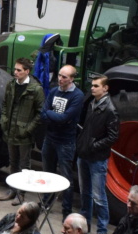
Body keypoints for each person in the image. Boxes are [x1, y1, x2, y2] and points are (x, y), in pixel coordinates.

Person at [76, 76, 119, 234]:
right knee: (85, 193)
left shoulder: (110, 110)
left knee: (99, 197)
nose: (92, 88)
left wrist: (93, 146)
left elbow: (113, 137)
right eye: (92, 85)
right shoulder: (92, 104)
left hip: (97, 159)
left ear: (105, 88)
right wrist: (82, 144)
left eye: (96, 86)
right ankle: (84, 225)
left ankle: (102, 232)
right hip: (84, 155)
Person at [0, 57, 44, 204]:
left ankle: (21, 193)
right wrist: (4, 120)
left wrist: (28, 130)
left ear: (27, 71)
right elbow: (5, 104)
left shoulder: (35, 89)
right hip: (10, 131)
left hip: (24, 135)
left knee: (25, 165)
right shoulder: (11, 85)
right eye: (15, 69)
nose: (15, 72)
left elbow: (40, 113)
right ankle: (12, 190)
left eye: (19, 70)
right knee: (13, 162)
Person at [41, 65, 85, 217]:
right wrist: (54, 116)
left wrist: (50, 113)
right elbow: (42, 114)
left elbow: (65, 118)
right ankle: (46, 203)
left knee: (66, 178)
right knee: (47, 174)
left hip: (65, 142)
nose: (60, 79)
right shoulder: (54, 91)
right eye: (59, 75)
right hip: (49, 138)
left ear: (72, 79)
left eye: (64, 77)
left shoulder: (77, 96)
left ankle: (66, 210)